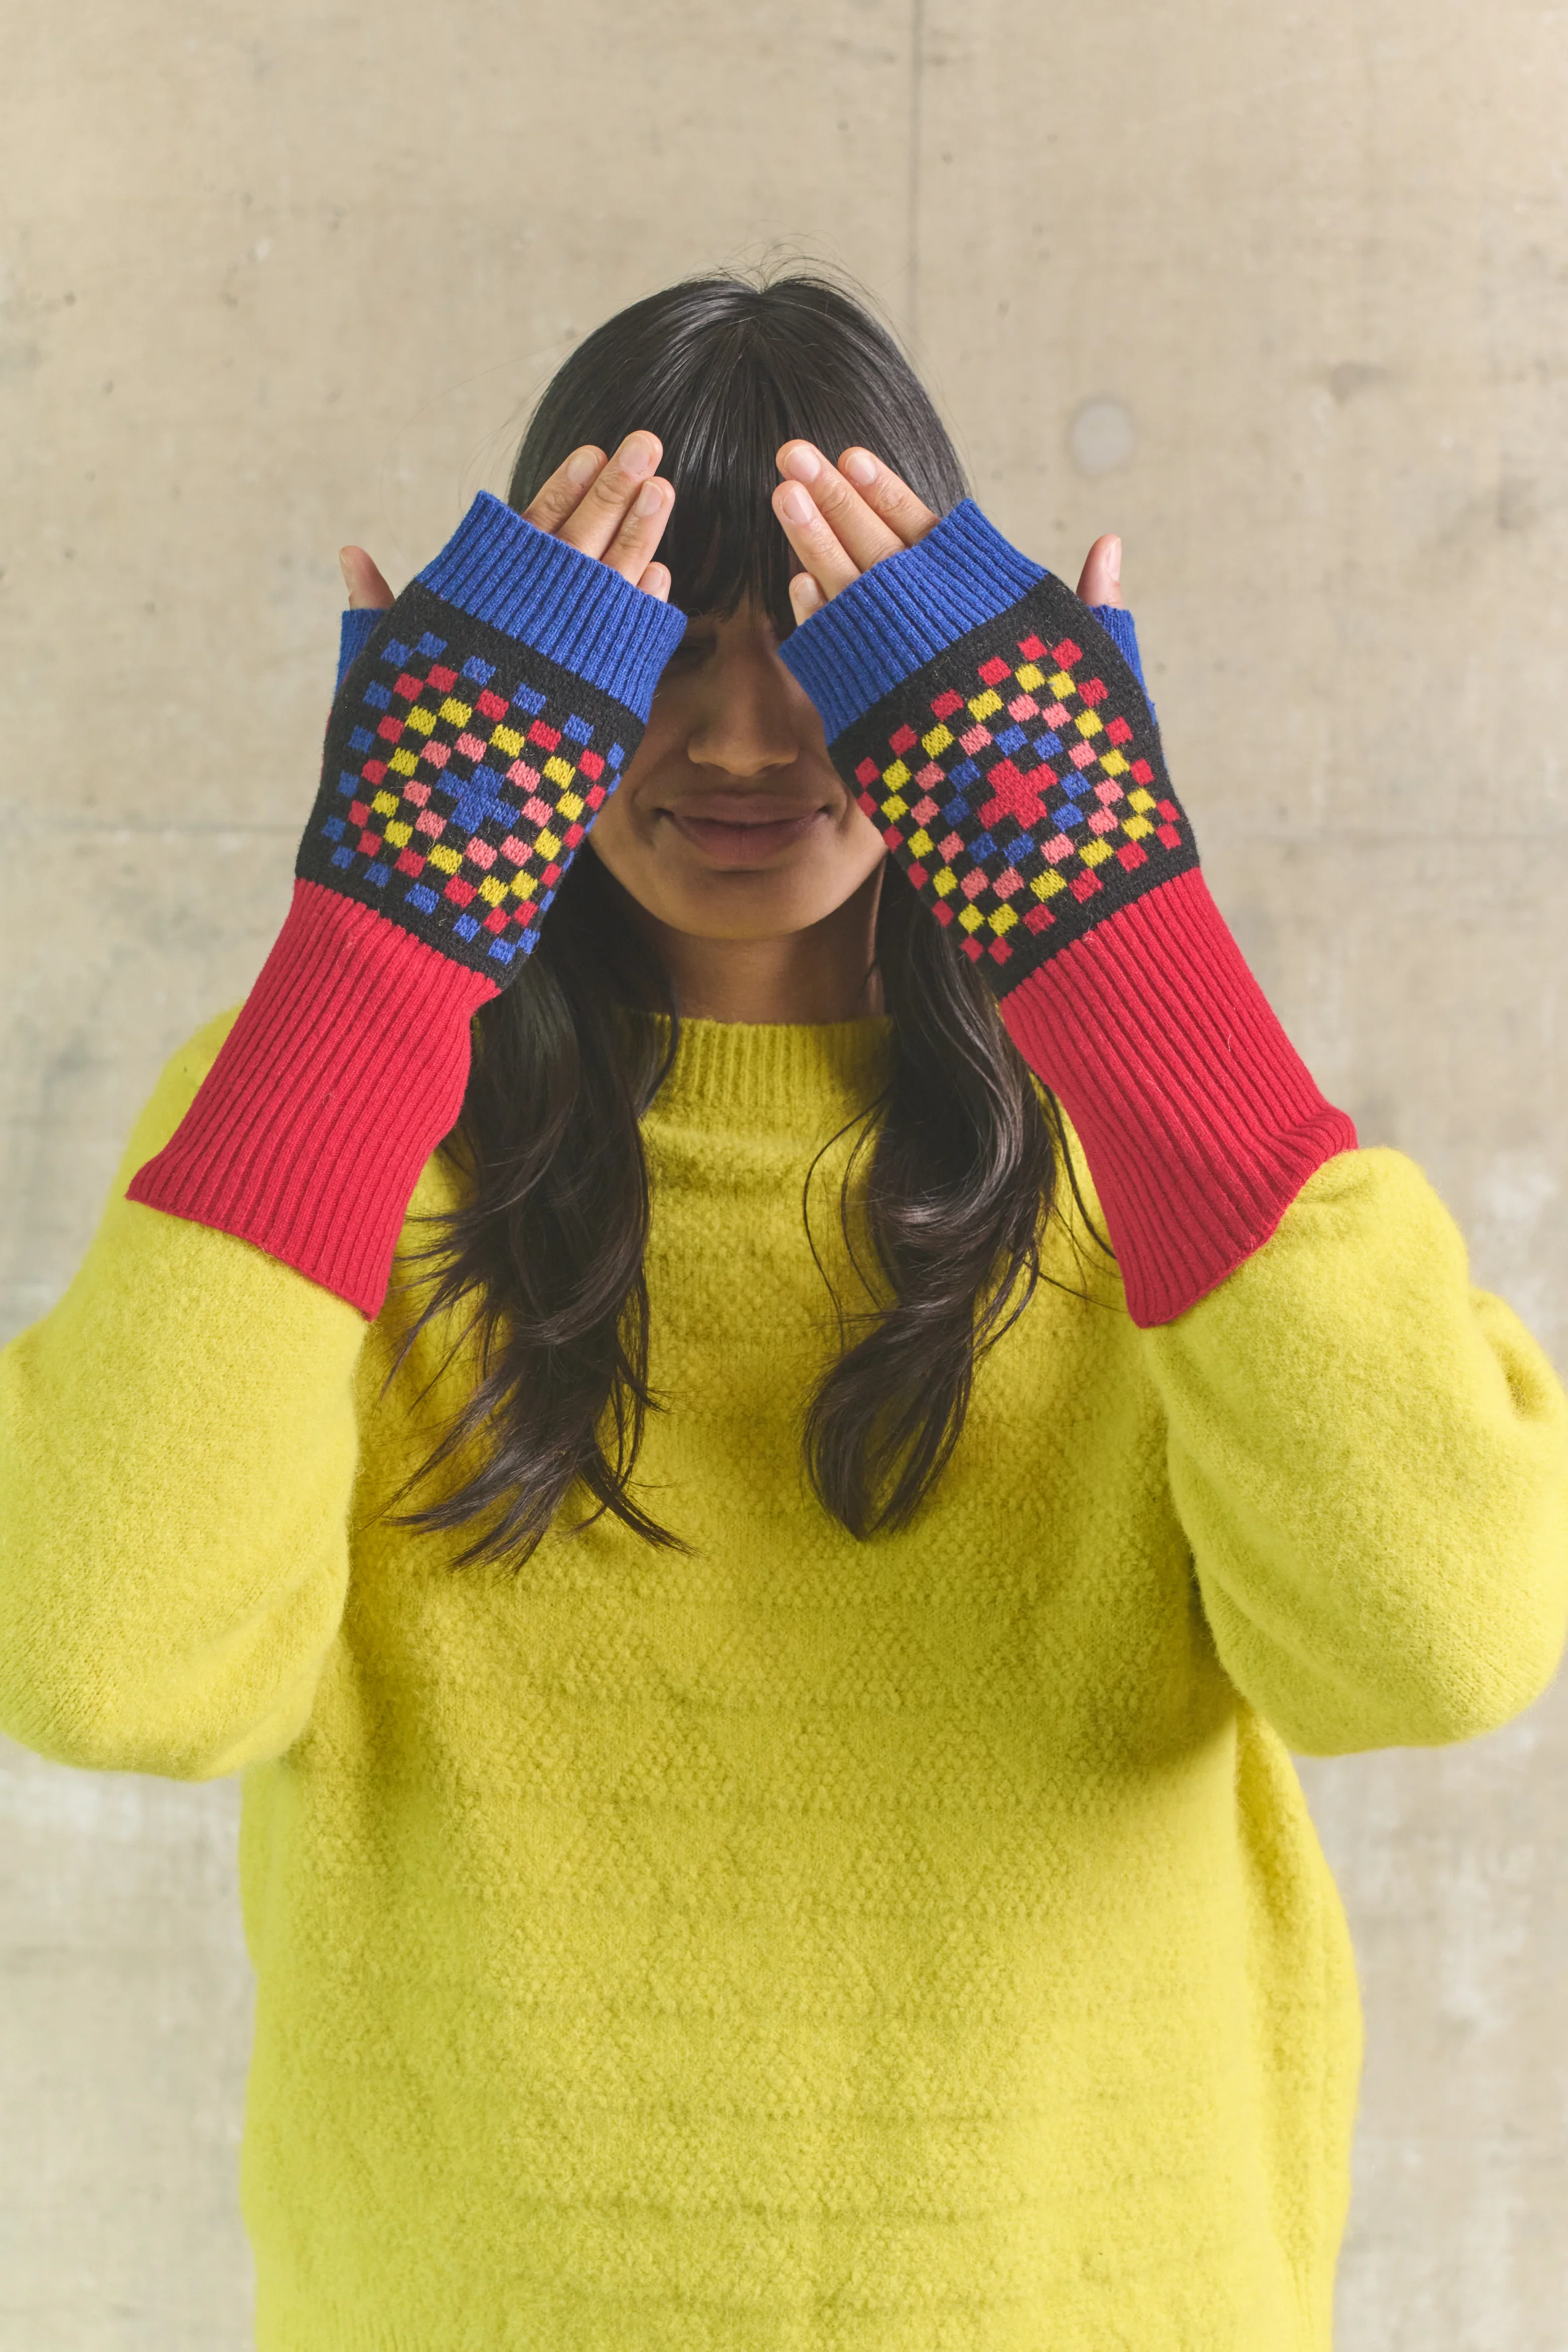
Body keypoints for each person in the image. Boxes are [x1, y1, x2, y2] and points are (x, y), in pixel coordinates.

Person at [2, 270, 1565, 2352]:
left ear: (988, 685)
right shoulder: (322, 1126)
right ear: (498, 684)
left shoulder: (1159, 1154)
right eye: (658, 635)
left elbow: (1443, 1641)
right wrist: (371, 950)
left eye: (821, 637)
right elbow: (105, 1667)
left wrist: (1130, 948)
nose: (742, 735)